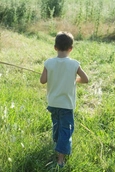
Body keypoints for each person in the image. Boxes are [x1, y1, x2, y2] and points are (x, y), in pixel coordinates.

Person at [40, 31, 89, 168]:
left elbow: (43, 80)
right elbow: (86, 79)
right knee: (66, 130)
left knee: (56, 124)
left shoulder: (49, 63)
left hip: (53, 103)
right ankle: (60, 159)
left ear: (55, 47)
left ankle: (57, 143)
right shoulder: (74, 64)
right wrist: (75, 79)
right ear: (71, 48)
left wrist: (49, 72)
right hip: (67, 105)